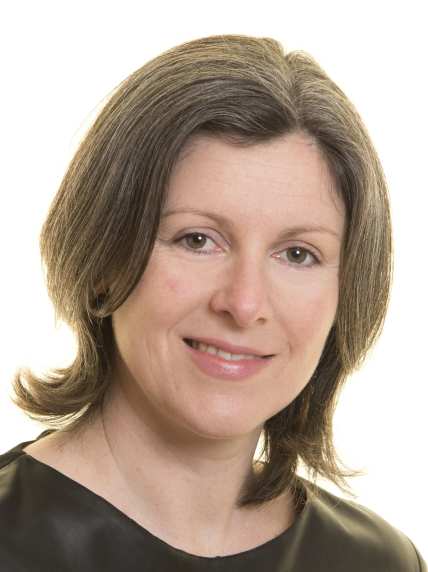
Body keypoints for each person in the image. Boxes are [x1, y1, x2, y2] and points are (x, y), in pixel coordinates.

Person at [0, 33, 425, 571]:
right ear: (105, 255)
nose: (244, 304)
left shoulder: (379, 563)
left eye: (298, 254)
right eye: (197, 240)